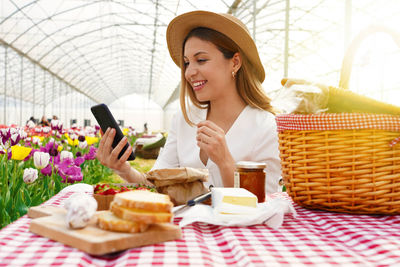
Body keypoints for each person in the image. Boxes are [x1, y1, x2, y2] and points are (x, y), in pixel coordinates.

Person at [96, 10, 281, 193]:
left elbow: (266, 203)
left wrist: (225, 162)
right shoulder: (185, 119)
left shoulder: (267, 127)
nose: (189, 72)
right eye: (186, 63)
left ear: (235, 62)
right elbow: (156, 184)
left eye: (201, 60)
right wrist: (123, 169)